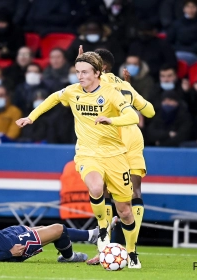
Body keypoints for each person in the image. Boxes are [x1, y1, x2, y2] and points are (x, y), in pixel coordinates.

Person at [16, 52, 142, 269]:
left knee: (125, 211)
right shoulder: (73, 91)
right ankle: (103, 228)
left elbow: (133, 117)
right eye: (77, 72)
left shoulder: (111, 93)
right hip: (87, 153)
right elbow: (53, 98)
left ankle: (131, 253)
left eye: (84, 72)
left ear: (97, 73)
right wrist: (31, 117)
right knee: (95, 187)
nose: (80, 76)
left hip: (115, 155)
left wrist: (110, 120)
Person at [85, 48, 155, 266]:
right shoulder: (125, 85)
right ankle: (132, 253)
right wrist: (129, 88)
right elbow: (149, 112)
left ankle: (105, 248)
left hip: (113, 138)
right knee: (134, 193)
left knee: (103, 191)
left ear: (100, 68)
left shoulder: (96, 84)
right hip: (134, 137)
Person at [166, 0, 197, 66]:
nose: (190, 9)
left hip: (195, 54)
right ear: (184, 9)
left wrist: (185, 50)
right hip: (177, 51)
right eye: (188, 7)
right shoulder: (176, 23)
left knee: (175, 58)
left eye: (193, 7)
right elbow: (169, 42)